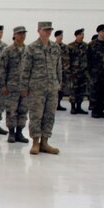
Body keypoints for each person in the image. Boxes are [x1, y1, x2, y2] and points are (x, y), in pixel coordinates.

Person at [21, 22, 62, 155]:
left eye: (49, 30)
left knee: (49, 115)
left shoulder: (55, 47)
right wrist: (24, 87)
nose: (48, 32)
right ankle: (35, 142)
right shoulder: (32, 48)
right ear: (38, 30)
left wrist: (58, 84)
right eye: (45, 30)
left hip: (52, 87)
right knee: (36, 115)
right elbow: (25, 69)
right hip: (36, 88)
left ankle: (45, 142)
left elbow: (58, 68)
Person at [87, 24, 104, 118]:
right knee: (94, 92)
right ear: (99, 32)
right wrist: (89, 73)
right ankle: (94, 110)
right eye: (103, 31)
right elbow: (88, 60)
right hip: (95, 73)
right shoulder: (92, 44)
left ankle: (101, 109)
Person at [66, 29, 90, 114]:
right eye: (80, 34)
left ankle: (79, 107)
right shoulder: (70, 46)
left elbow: (89, 58)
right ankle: (73, 107)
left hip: (83, 72)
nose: (82, 36)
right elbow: (67, 59)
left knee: (81, 91)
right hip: (74, 73)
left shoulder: (86, 46)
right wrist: (68, 71)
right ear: (76, 36)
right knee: (73, 91)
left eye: (83, 34)